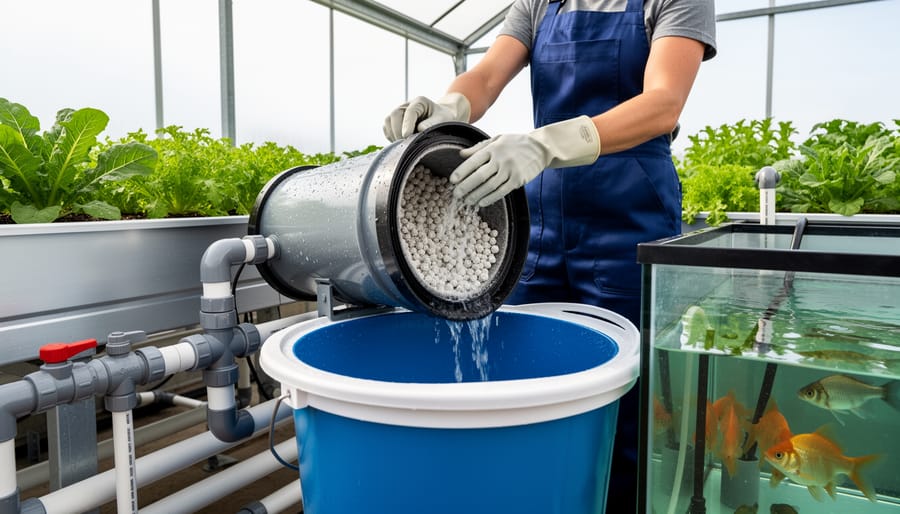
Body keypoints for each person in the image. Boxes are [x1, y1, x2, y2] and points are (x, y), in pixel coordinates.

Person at [384, 0, 716, 511]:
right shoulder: (538, 4)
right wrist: (451, 106)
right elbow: (489, 74)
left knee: (624, 394)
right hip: (542, 218)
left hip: (628, 216)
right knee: (522, 372)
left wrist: (546, 144)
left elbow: (663, 104)